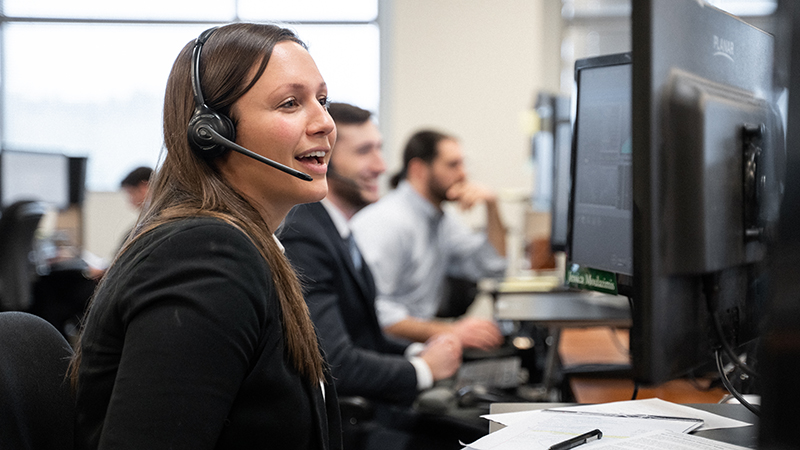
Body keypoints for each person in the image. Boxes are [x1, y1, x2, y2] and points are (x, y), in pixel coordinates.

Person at [70, 23, 341, 449]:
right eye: (290, 104)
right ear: (213, 132)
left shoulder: (243, 245)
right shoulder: (206, 259)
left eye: (322, 101)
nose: (325, 122)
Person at [280, 103, 466, 450]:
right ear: (323, 158)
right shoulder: (304, 235)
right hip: (346, 425)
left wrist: (417, 349)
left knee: (477, 430)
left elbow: (362, 335)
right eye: (365, 152)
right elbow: (334, 362)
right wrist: (422, 370)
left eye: (379, 149)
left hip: (367, 408)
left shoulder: (336, 229)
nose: (381, 166)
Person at [350, 129, 507, 350]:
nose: (463, 174)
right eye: (453, 165)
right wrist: (452, 331)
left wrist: (492, 206)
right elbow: (374, 311)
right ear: (419, 169)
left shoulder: (440, 220)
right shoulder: (386, 222)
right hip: (385, 353)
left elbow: (492, 266)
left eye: (462, 164)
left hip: (417, 349)